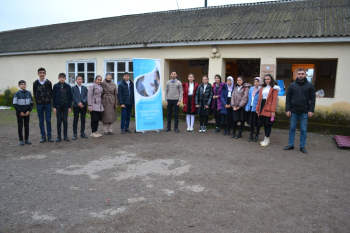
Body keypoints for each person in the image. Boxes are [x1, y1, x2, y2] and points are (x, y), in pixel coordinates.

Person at [284, 69, 316, 154]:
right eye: (299, 74)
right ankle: (291, 144)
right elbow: (288, 98)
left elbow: (313, 99)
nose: (301, 75)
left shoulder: (310, 85)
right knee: (292, 128)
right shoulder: (292, 85)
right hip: (293, 111)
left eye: (302, 74)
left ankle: (302, 146)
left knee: (303, 129)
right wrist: (287, 109)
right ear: (296, 75)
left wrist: (311, 110)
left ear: (305, 75)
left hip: (304, 111)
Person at [256, 75, 280, 147]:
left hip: (269, 108)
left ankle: (267, 138)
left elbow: (274, 101)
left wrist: (273, 111)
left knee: (268, 124)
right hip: (262, 106)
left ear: (271, 79)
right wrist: (257, 108)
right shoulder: (262, 88)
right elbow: (259, 99)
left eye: (268, 79)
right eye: (265, 79)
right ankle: (266, 138)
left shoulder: (274, 88)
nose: (267, 80)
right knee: (264, 124)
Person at [33, 67, 54, 143]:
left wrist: (48, 99)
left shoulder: (48, 82)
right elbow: (34, 93)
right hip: (39, 104)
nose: (42, 74)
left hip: (47, 104)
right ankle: (43, 136)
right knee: (41, 120)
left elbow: (51, 93)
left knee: (48, 120)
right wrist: (38, 100)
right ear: (38, 74)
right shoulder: (35, 83)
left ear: (45, 74)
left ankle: (49, 135)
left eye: (43, 73)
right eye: (40, 73)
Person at [53, 73, 72, 142]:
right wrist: (54, 107)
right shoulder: (55, 86)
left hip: (66, 106)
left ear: (65, 79)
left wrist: (70, 107)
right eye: (60, 77)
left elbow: (70, 97)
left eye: (63, 77)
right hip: (58, 106)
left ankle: (65, 136)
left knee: (65, 121)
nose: (62, 79)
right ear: (58, 78)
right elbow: (54, 97)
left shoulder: (68, 86)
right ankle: (58, 136)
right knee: (58, 121)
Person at [13, 80, 33, 146]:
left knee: (26, 126)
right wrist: (20, 111)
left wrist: (28, 111)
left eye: (24, 84)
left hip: (27, 112)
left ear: (26, 85)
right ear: (19, 85)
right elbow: (15, 104)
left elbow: (31, 103)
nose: (23, 85)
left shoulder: (29, 93)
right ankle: (21, 140)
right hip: (20, 113)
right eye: (22, 84)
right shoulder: (17, 93)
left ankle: (26, 139)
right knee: (20, 126)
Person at [71, 75, 88, 140]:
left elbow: (86, 96)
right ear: (76, 80)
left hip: (83, 106)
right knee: (75, 119)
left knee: (83, 119)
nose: (80, 80)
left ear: (82, 80)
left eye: (81, 79)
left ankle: (82, 133)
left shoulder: (85, 88)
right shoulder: (73, 88)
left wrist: (83, 102)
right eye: (78, 79)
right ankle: (75, 134)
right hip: (76, 106)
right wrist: (78, 103)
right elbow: (73, 96)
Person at [245, 77, 261, 142]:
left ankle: (256, 135)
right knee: (251, 123)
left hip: (257, 109)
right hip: (251, 108)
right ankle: (251, 135)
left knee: (257, 123)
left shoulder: (261, 89)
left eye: (257, 82)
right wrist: (247, 107)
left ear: (259, 82)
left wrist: (259, 108)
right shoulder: (251, 89)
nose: (256, 83)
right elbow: (249, 98)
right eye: (255, 82)